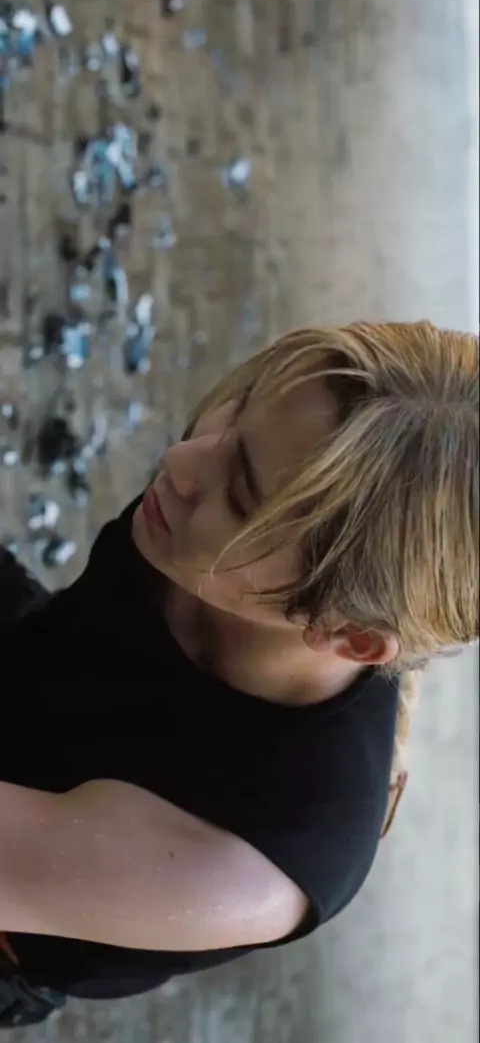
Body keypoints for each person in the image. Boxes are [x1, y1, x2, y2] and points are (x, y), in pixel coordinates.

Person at [0, 320, 478, 1027]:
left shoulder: (247, 861)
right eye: (239, 409)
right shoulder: (203, 522)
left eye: (244, 493)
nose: (181, 460)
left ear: (348, 633)